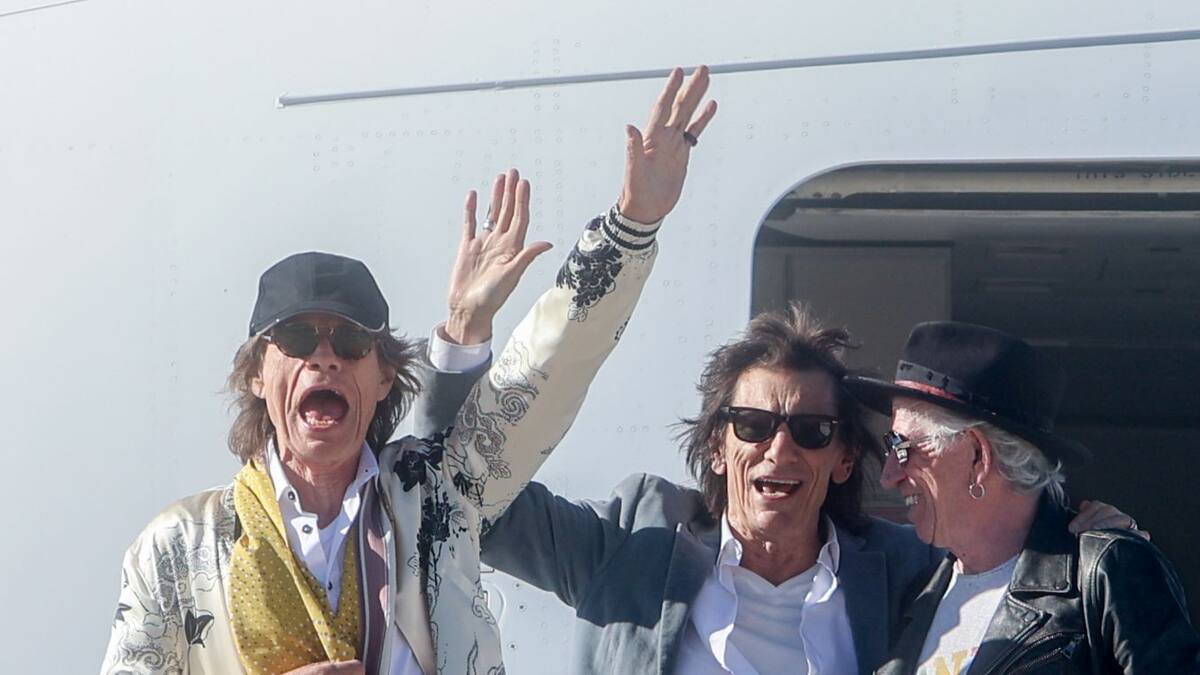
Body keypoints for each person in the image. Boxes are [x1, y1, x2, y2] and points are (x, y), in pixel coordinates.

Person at [100, 65, 716, 675]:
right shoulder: (178, 546)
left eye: (350, 340)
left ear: (384, 378)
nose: (324, 356)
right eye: (296, 338)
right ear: (257, 375)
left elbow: (542, 373)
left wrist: (631, 225)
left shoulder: (437, 498)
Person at [420, 304, 1139, 674]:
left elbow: (1009, 563)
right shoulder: (636, 541)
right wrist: (460, 344)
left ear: (845, 459)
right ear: (717, 445)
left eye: (812, 431)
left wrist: (1080, 536)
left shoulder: (912, 573)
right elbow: (465, 501)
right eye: (754, 424)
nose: (780, 448)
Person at [845, 321, 1200, 674]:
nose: (889, 476)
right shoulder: (916, 593)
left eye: (903, 448)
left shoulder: (1103, 574)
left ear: (978, 457)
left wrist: (1119, 555)